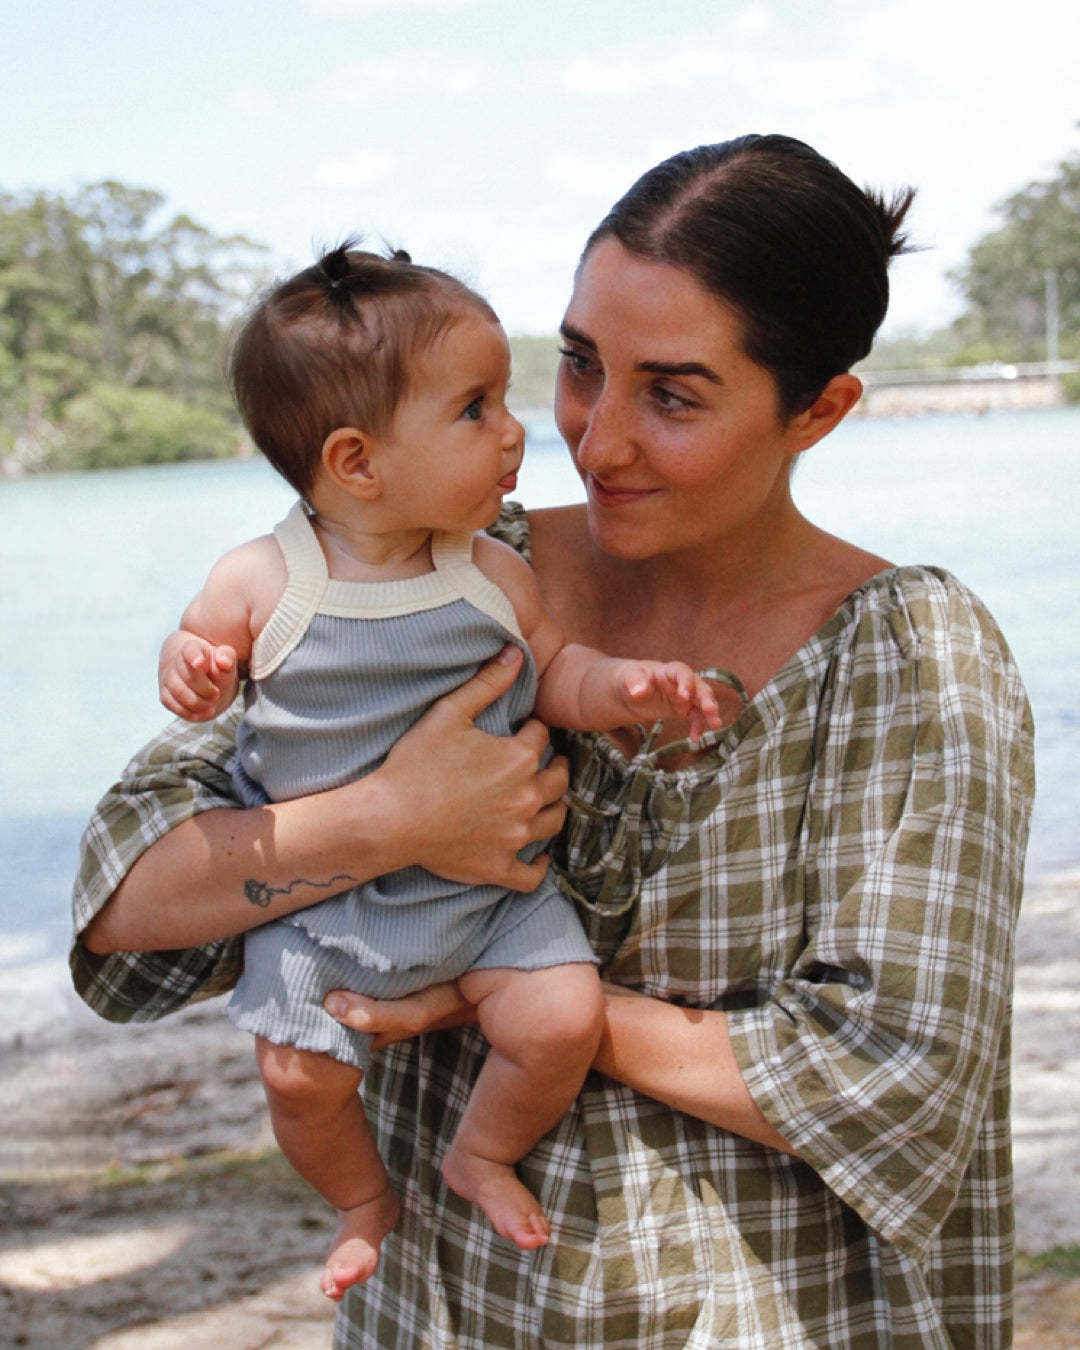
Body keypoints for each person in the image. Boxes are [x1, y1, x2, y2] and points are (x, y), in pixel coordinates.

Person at [72, 133, 1034, 1349]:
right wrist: (392, 820)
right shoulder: (436, 564)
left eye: (672, 395)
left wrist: (502, 1000)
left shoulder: (911, 656)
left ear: (820, 410)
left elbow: (897, 1078)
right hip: (448, 1311)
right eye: (581, 365)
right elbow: (124, 901)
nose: (594, 438)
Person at [154, 242, 722, 1299]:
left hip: (492, 898)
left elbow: (555, 671)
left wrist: (626, 688)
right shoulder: (265, 579)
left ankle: (482, 1152)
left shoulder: (490, 570)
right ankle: (362, 1200)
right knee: (297, 1072)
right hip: (325, 909)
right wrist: (193, 668)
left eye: (505, 398)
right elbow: (200, 650)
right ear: (357, 462)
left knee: (561, 1019)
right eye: (474, 410)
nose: (515, 431)